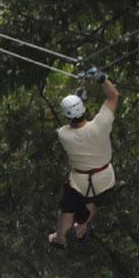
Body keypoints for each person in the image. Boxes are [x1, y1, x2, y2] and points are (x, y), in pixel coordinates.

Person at [48, 68, 119, 248]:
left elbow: (72, 124)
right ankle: (82, 227)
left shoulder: (63, 134)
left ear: (66, 116)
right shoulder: (100, 126)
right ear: (84, 109)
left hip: (79, 179)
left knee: (68, 208)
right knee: (92, 199)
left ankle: (60, 237)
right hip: (104, 177)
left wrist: (79, 99)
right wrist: (102, 79)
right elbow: (113, 97)